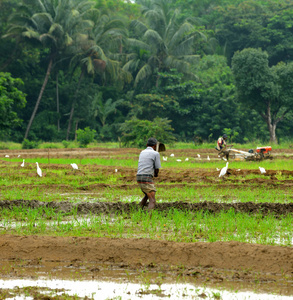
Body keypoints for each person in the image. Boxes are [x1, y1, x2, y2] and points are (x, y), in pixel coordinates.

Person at [136, 137, 161, 211]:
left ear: (147, 144)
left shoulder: (142, 152)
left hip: (139, 176)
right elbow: (157, 168)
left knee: (147, 195)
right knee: (152, 200)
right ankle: (149, 217)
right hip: (146, 177)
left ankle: (139, 212)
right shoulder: (156, 153)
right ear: (155, 146)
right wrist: (156, 174)